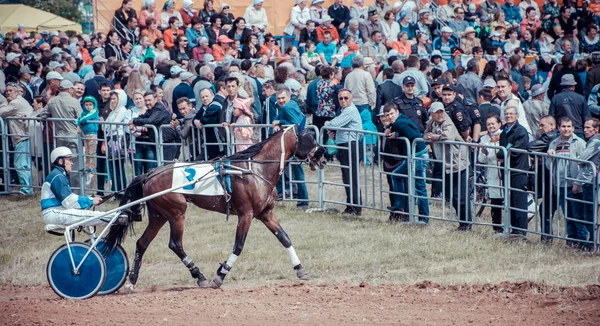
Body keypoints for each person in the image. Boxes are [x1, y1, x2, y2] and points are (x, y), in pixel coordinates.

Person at [40, 147, 126, 226]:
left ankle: (117, 218)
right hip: (54, 213)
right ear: (60, 161)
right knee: (88, 215)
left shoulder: (58, 175)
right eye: (69, 160)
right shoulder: (57, 176)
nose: (72, 163)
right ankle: (119, 218)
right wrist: (91, 200)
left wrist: (90, 199)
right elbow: (69, 201)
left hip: (56, 211)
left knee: (88, 215)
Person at [424, 102, 472, 231]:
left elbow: (448, 136)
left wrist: (434, 137)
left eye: (442, 111)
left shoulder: (448, 122)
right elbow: (425, 134)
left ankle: (466, 223)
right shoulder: (430, 123)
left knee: (460, 195)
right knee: (450, 194)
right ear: (431, 114)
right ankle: (463, 221)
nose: (440, 114)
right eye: (437, 112)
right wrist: (428, 137)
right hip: (445, 162)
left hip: (458, 161)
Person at [383, 102, 429, 223]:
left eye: (391, 114)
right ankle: (399, 204)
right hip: (415, 155)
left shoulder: (399, 122)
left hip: (419, 156)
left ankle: (424, 218)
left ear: (397, 112)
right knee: (396, 175)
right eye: (387, 115)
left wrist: (397, 134)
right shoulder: (399, 120)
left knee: (420, 188)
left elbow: (414, 134)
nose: (389, 117)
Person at [546, 116, 586, 246]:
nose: (566, 129)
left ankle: (582, 241)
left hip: (574, 184)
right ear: (558, 128)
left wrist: (578, 182)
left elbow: (585, 164)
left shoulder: (579, 142)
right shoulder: (554, 143)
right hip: (560, 184)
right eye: (563, 126)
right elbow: (548, 165)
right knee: (567, 215)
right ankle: (572, 240)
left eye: (569, 126)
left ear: (573, 128)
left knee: (577, 215)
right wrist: (550, 156)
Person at [325, 89, 362, 216]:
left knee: (351, 176)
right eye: (341, 98)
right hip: (344, 144)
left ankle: (355, 206)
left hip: (350, 145)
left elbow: (334, 123)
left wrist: (328, 124)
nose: (343, 100)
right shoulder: (344, 110)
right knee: (347, 176)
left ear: (351, 99)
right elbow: (339, 125)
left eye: (346, 98)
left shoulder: (350, 110)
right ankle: (351, 205)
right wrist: (334, 131)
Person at [271, 88, 309, 208]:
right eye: (279, 98)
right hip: (293, 142)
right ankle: (301, 200)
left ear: (288, 97)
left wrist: (279, 122)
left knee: (298, 172)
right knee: (296, 171)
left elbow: (296, 122)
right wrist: (277, 122)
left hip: (296, 143)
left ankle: (303, 202)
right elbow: (277, 118)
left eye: (283, 98)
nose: (281, 101)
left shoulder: (287, 107)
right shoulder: (287, 105)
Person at [496, 106, 530, 236]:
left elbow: (514, 150)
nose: (509, 116)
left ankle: (521, 231)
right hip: (506, 170)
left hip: (518, 170)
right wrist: (502, 152)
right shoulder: (504, 130)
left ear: (517, 115)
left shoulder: (521, 131)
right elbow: (503, 148)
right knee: (509, 200)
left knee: (519, 200)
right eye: (506, 114)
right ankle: (513, 229)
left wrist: (502, 153)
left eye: (511, 114)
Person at [527, 115, 559, 242]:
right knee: (546, 208)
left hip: (553, 179)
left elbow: (530, 147)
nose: (540, 128)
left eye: (543, 125)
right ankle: (546, 238)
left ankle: (547, 239)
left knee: (546, 209)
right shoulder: (551, 135)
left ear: (552, 126)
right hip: (550, 178)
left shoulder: (550, 136)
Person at [0, 85, 34, 195]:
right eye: (7, 91)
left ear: (17, 92)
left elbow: (2, 112)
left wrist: (5, 102)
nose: (8, 93)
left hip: (21, 136)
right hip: (23, 135)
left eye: (11, 91)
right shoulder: (19, 101)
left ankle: (26, 189)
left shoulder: (15, 103)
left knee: (19, 164)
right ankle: (28, 188)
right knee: (25, 163)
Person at [574, 118, 600, 250]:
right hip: (589, 180)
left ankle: (593, 243)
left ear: (596, 129)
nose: (585, 130)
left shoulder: (595, 142)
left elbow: (582, 159)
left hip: (591, 181)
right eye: (584, 127)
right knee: (589, 213)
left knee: (590, 213)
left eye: (589, 128)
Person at [478, 115, 504, 233]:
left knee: (508, 200)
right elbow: (481, 159)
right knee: (495, 200)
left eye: (493, 123)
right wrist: (484, 152)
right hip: (493, 172)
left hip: (505, 171)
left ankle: (510, 226)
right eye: (489, 124)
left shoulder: (505, 135)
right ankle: (497, 227)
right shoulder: (484, 139)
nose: (491, 126)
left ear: (499, 124)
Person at [194, 87, 225, 159]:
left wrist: (199, 121)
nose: (205, 98)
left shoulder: (215, 105)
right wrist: (195, 121)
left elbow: (205, 119)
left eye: (206, 96)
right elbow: (196, 117)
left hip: (219, 142)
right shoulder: (204, 106)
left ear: (212, 95)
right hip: (209, 142)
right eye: (202, 97)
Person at [76, 96, 99, 185]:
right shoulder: (83, 113)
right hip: (85, 134)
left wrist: (79, 123)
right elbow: (78, 119)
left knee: (92, 152)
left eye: (90, 105)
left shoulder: (94, 112)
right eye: (86, 105)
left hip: (92, 134)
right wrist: (78, 124)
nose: (88, 107)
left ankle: (92, 168)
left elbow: (83, 119)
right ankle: (87, 168)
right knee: (87, 151)